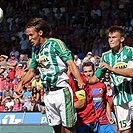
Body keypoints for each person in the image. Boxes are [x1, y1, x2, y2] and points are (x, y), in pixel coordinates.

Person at [15, 18, 85, 133]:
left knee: (68, 129)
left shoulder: (55, 43)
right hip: (48, 94)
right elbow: (32, 71)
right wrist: (21, 83)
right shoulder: (35, 50)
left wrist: (79, 80)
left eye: (31, 35)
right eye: (28, 36)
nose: (29, 39)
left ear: (40, 32)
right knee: (57, 129)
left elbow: (70, 62)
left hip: (62, 91)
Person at [89, 25, 133, 133]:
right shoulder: (105, 56)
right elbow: (96, 78)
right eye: (109, 37)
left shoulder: (130, 52)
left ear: (121, 39)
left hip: (132, 95)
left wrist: (111, 68)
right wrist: (83, 81)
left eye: (114, 37)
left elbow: (131, 72)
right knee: (124, 130)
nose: (111, 40)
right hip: (118, 99)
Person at [82, 61, 116, 133]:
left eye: (90, 71)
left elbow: (106, 101)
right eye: (85, 72)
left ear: (94, 71)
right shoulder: (82, 87)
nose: (88, 74)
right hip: (88, 123)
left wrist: (109, 116)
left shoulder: (102, 85)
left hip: (103, 122)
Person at [67, 66, 99, 133]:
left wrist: (62, 108)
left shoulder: (76, 79)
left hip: (86, 121)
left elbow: (82, 103)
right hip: (75, 121)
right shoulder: (63, 79)